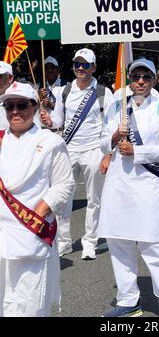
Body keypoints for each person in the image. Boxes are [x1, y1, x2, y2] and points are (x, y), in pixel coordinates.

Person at [99, 58, 159, 317]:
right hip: (118, 185)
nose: (141, 82)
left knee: (154, 247)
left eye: (146, 77)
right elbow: (102, 142)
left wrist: (137, 150)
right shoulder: (116, 107)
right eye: (136, 77)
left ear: (155, 79)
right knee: (119, 244)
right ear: (130, 79)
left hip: (146, 185)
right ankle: (128, 300)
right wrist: (113, 137)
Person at [0, 81, 74, 316]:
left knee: (30, 304)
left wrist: (41, 210)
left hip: (32, 233)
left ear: (34, 108)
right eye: (9, 106)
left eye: (21, 105)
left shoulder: (51, 142)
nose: (15, 112)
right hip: (2, 234)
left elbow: (64, 185)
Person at [40, 48, 114, 260]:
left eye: (85, 64)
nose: (80, 68)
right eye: (77, 64)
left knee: (94, 199)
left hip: (93, 150)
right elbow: (58, 120)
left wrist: (108, 153)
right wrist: (49, 120)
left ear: (94, 67)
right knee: (63, 197)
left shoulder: (103, 92)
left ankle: (90, 241)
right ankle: (64, 241)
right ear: (73, 66)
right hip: (68, 149)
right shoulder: (66, 90)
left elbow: (109, 125)